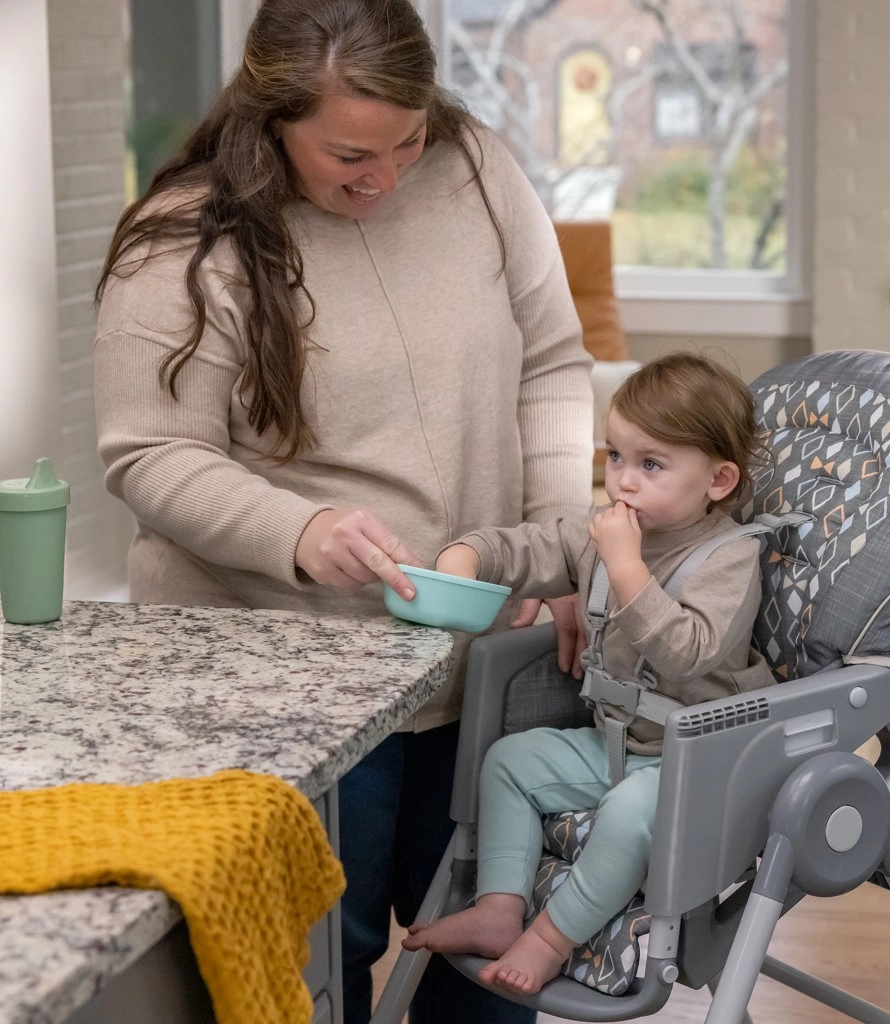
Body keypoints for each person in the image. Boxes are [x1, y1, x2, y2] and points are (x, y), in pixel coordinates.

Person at [92, 2, 595, 1022]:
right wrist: (300, 531)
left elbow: (550, 365)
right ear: (273, 119)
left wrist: (560, 554)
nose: (387, 177)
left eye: (407, 140)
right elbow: (151, 453)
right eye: (350, 154)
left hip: (483, 667)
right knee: (322, 967)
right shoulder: (182, 239)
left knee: (492, 979)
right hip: (290, 678)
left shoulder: (477, 169)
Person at [402, 352, 776, 996]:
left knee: (629, 811)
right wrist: (469, 554)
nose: (624, 480)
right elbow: (531, 546)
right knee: (509, 761)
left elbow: (687, 651)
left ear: (717, 480)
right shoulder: (599, 532)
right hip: (620, 745)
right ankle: (499, 908)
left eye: (651, 464)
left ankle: (550, 938)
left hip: (701, 764)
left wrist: (626, 566)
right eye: (616, 456)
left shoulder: (729, 558)